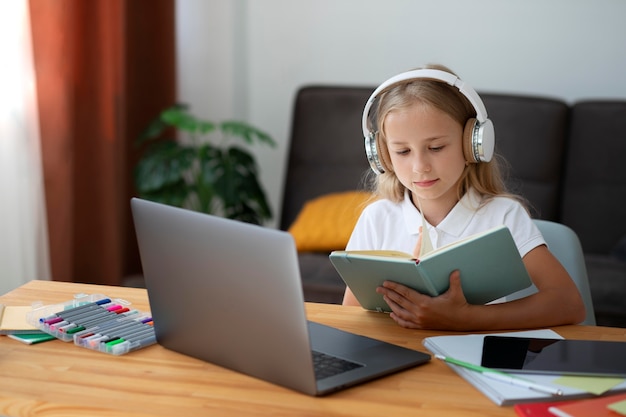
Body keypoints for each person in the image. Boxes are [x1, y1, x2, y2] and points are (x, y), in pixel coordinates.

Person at [342, 64, 585, 331]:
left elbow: (569, 304)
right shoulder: (376, 219)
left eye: (436, 147)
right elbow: (351, 319)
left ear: (473, 144)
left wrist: (464, 318)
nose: (420, 166)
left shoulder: (502, 215)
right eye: (402, 151)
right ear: (382, 156)